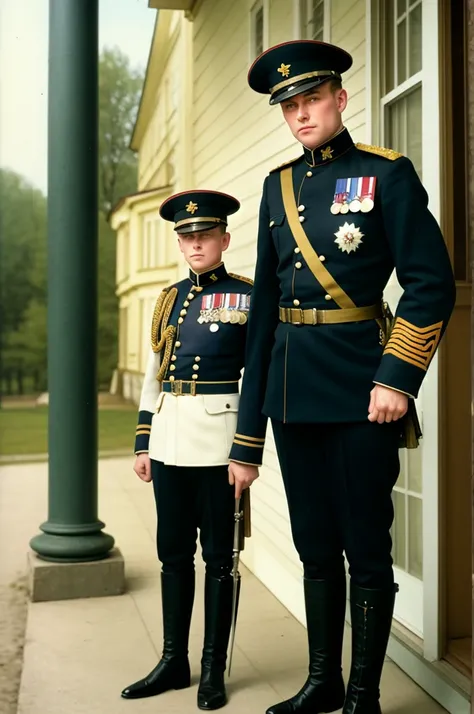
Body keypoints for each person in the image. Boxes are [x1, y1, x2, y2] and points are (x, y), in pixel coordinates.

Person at [227, 40, 456, 714]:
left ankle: (363, 693)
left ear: (339, 99)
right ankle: (323, 680)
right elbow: (264, 318)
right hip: (294, 397)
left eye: (311, 100)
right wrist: (247, 440)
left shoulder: (386, 175)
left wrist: (397, 378)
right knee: (315, 547)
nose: (300, 115)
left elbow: (429, 285)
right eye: (289, 106)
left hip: (363, 392)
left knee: (366, 545)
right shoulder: (277, 187)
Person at [121, 189, 252, 711]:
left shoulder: (248, 295)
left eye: (204, 235)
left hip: (221, 446)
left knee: (220, 559)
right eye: (187, 236)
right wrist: (143, 441)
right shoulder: (168, 299)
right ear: (179, 243)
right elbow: (155, 376)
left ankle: (213, 671)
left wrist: (248, 451)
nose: (195, 244)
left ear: (224, 238)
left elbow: (258, 378)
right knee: (173, 557)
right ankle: (175, 660)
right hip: (170, 442)